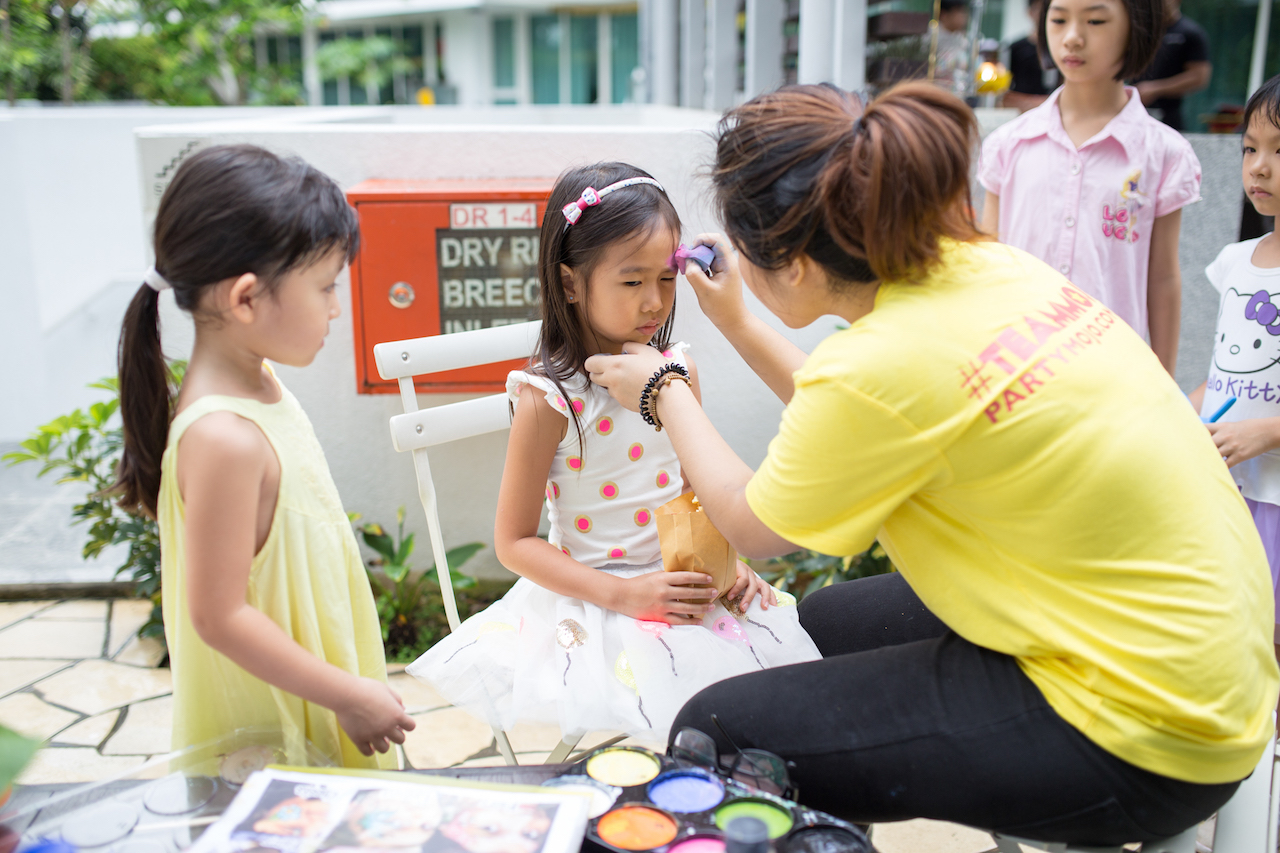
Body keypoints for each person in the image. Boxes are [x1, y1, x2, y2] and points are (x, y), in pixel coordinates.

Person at [586, 82, 1278, 842]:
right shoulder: (987, 268)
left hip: (1148, 732)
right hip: (1210, 654)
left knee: (717, 730)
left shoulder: (877, 364)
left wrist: (665, 392)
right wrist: (740, 324)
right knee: (821, 621)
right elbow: (866, 415)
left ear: (794, 263)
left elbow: (754, 522)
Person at [405, 163, 819, 742]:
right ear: (571, 283)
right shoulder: (549, 399)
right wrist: (626, 594)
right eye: (631, 282)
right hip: (598, 598)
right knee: (678, 721)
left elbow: (697, 489)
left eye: (667, 280)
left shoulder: (677, 371)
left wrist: (728, 561)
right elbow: (514, 542)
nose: (654, 302)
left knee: (751, 713)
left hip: (685, 580)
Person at [113, 145, 414, 767]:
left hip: (312, 679)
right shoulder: (225, 438)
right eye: (326, 286)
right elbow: (219, 616)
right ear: (245, 299)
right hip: (276, 721)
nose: (335, 306)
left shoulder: (260, 380)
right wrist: (349, 696)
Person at [978, 0, 1200, 377]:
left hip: (1110, 375)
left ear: (1136, 27)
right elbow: (986, 258)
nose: (1072, 38)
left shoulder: (1164, 153)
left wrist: (1163, 382)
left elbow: (1162, 278)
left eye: (1095, 20)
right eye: (1059, 19)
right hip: (1014, 371)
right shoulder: (1008, 144)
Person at [1189, 73, 1280, 686]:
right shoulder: (1236, 262)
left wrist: (1264, 434)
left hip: (1275, 496)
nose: (1261, 167)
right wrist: (1178, 413)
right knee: (1224, 630)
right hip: (1225, 489)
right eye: (1251, 149)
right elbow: (1225, 373)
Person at [1134, 0, 1211, 132]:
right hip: (1135, 111)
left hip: (1167, 116)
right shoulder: (1141, 30)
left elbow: (1199, 77)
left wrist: (1155, 89)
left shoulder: (1190, 33)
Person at [1003, 0, 1060, 113]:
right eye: (1039, 9)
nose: (1044, 14)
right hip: (1020, 109)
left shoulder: (1062, 47)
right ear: (1030, 12)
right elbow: (1004, 93)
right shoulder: (1015, 48)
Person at [932, 0, 971, 99]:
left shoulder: (962, 39)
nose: (964, 17)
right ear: (944, 14)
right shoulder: (931, 37)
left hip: (957, 95)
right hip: (936, 93)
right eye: (959, 12)